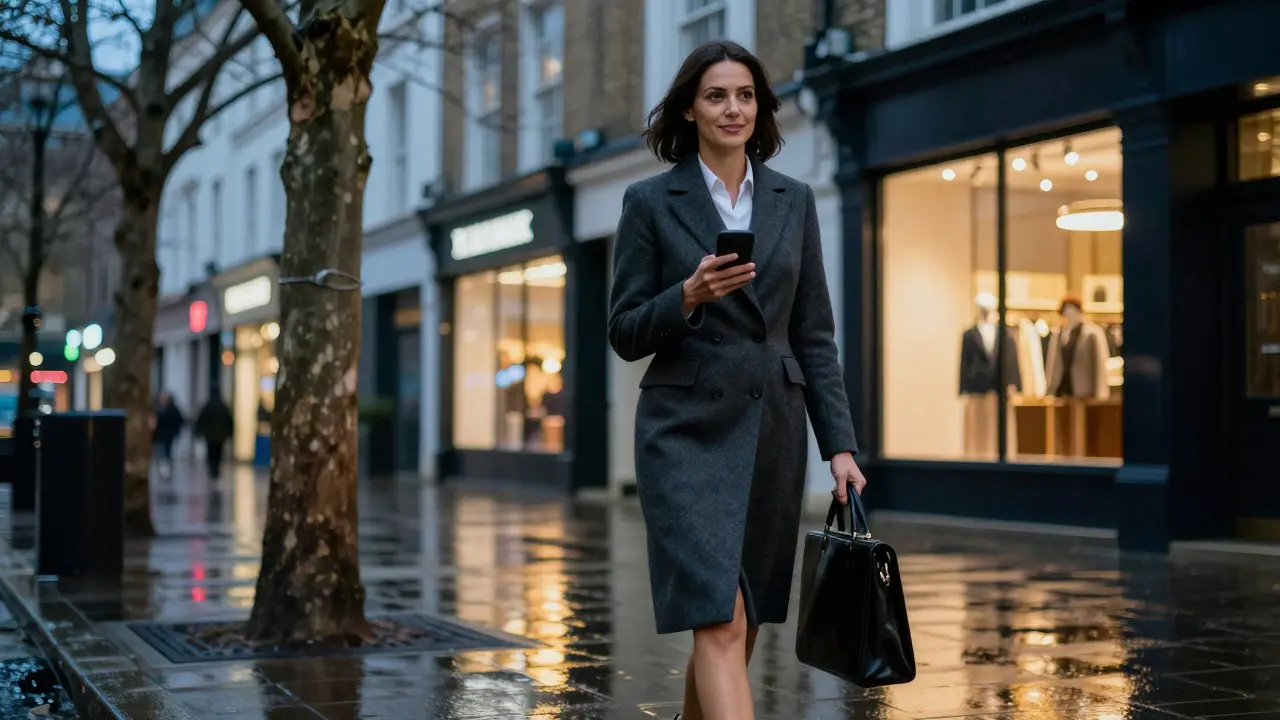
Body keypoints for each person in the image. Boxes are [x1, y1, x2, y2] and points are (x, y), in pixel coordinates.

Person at [606, 40, 868, 720]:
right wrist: (686, 297)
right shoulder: (649, 202)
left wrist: (838, 445)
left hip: (771, 431)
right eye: (717, 95)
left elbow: (814, 335)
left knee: (742, 627)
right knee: (719, 620)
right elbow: (625, 329)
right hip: (684, 434)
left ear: (761, 107)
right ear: (690, 108)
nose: (733, 108)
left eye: (745, 95)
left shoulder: (793, 200)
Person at [194, 391, 234, 480]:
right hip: (221, 436)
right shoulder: (223, 407)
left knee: (210, 453)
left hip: (209, 435)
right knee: (218, 453)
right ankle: (216, 469)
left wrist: (198, 432)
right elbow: (229, 421)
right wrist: (230, 433)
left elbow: (201, 420)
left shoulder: (207, 407)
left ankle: (212, 469)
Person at [153, 391, 185, 476]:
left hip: (165, 435)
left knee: (164, 453)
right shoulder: (162, 410)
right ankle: (164, 469)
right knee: (163, 452)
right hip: (163, 435)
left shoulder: (165, 410)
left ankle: (165, 469)